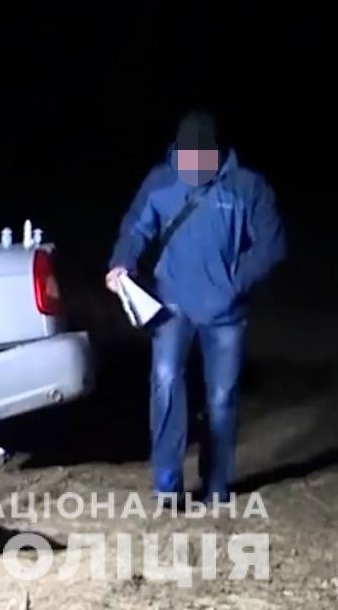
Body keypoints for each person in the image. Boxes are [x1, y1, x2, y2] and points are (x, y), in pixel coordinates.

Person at [105, 110, 286, 504]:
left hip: (225, 312)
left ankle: (217, 487)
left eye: (202, 158)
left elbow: (272, 246)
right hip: (171, 303)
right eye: (187, 158)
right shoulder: (161, 182)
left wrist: (233, 284)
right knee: (166, 384)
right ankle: (167, 485)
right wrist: (122, 261)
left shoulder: (247, 187)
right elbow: (137, 226)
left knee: (221, 398)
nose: (194, 166)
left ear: (218, 153)